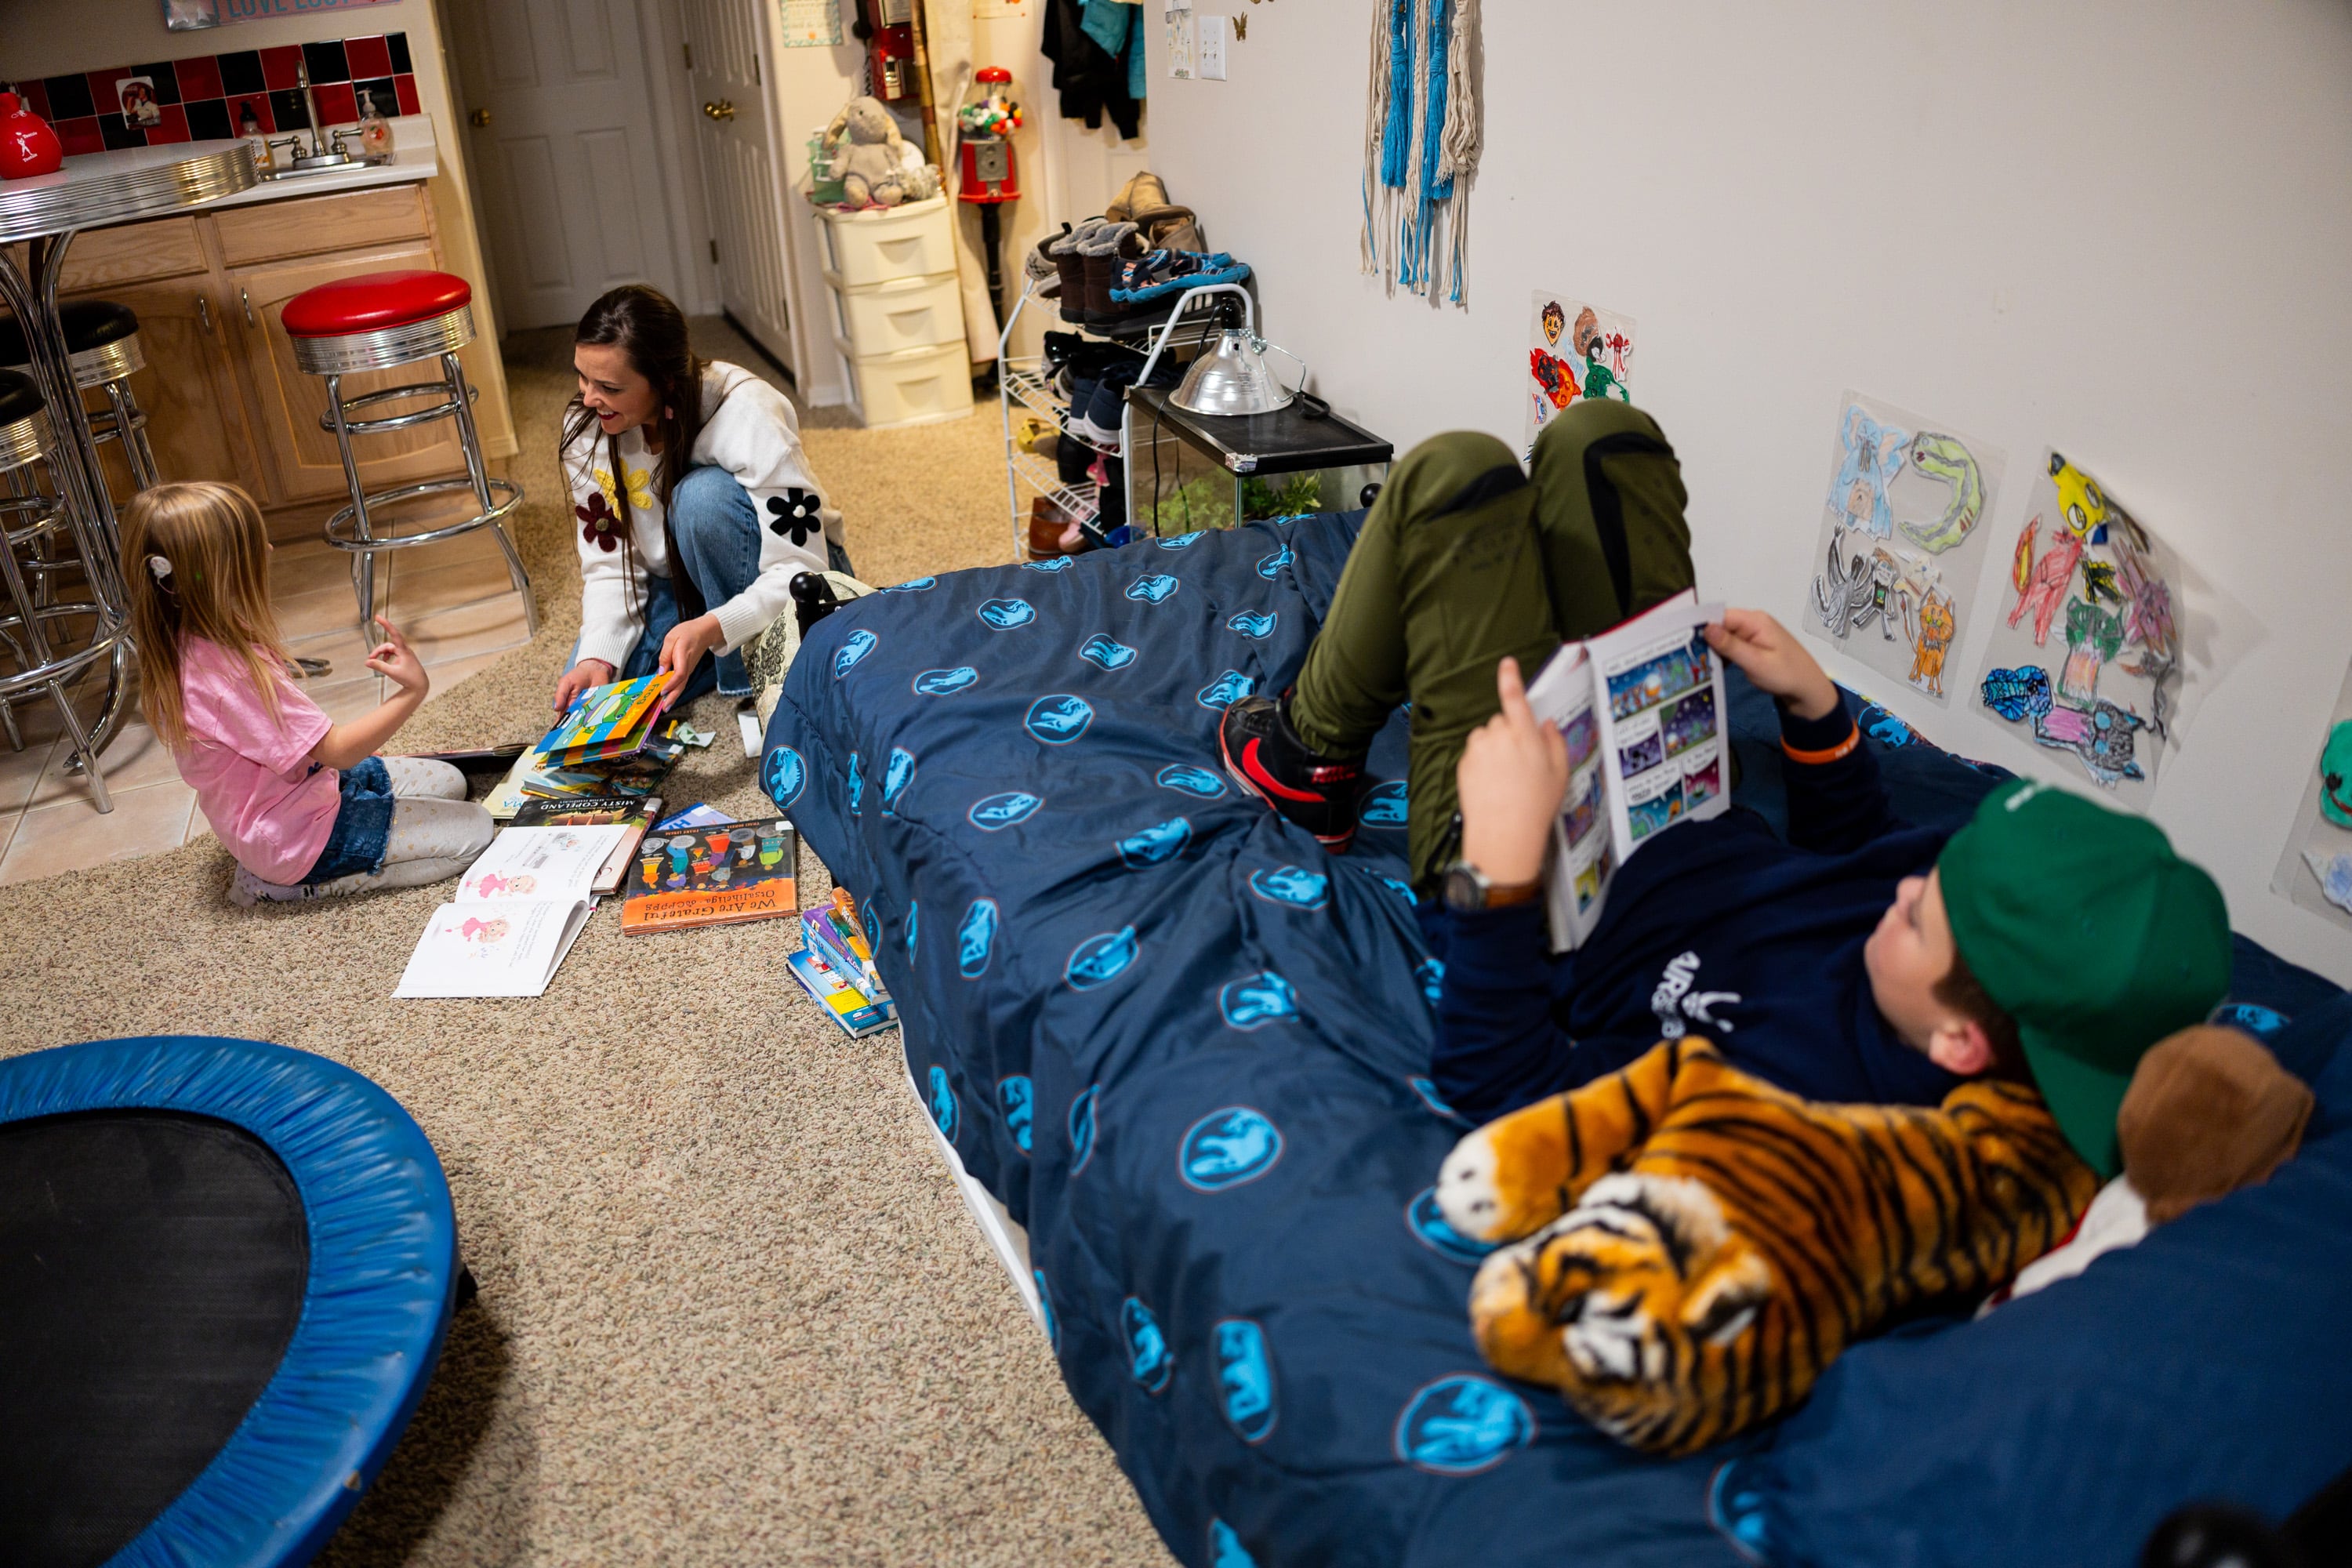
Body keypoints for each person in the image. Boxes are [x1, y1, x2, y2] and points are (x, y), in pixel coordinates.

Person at [1219, 403, 2230, 1176]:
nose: (1908, 887)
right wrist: (1816, 710)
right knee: (1606, 439)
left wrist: (1502, 866)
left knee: (1454, 476)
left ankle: (1309, 760)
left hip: (1531, 883)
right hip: (1681, 782)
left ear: (1961, 1039)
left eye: (1921, 918)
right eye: (1935, 877)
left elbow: (1505, 1091)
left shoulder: (1791, 1100)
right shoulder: (1954, 935)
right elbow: (1857, 853)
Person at [123, 482, 493, 906]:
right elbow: (338, 750)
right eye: (251, 545)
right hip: (297, 838)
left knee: (453, 782)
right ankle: (291, 884)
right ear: (218, 571)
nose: (269, 547)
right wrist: (412, 691)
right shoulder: (227, 677)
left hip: (310, 787)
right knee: (475, 833)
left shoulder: (193, 636)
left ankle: (300, 852)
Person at [554, 285, 849, 715]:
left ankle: (754, 669)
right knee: (596, 705)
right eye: (582, 377)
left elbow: (802, 564)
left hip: (796, 574)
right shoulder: (588, 427)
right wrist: (597, 656)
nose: (588, 398)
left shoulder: (746, 409)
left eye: (609, 387)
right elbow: (608, 565)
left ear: (665, 382)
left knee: (700, 499)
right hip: (676, 583)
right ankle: (716, 650)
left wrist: (715, 626)